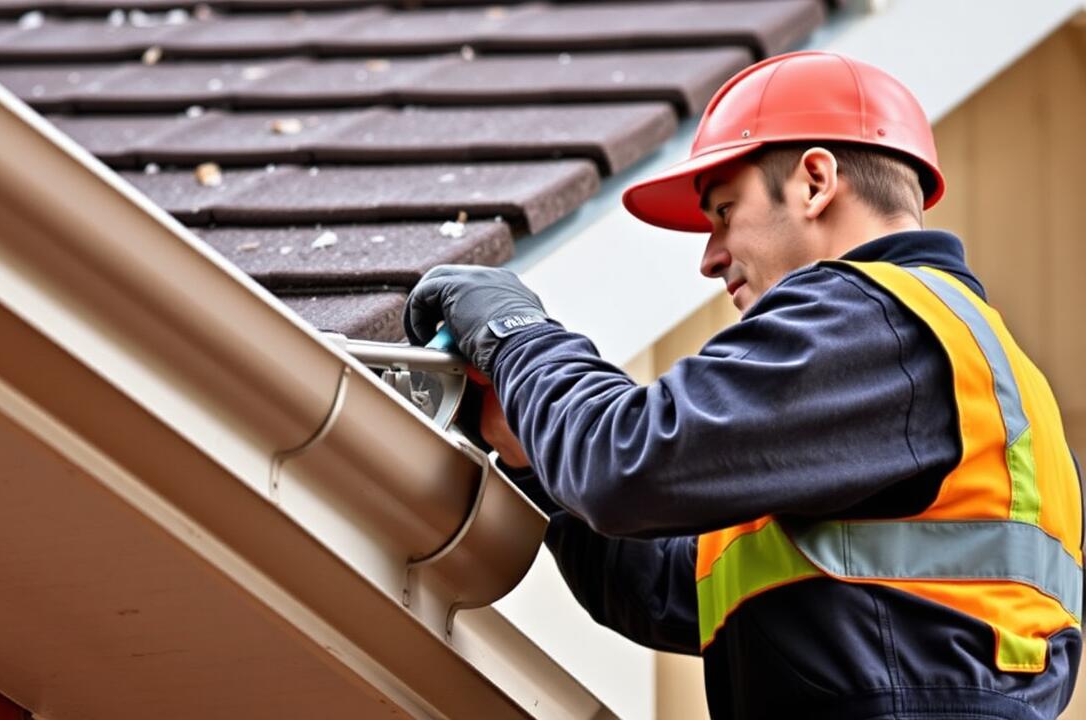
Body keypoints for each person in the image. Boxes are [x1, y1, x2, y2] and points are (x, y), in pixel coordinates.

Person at [403, 51, 1083, 719]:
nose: (709, 258)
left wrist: (517, 337)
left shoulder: (874, 321)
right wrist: (534, 449)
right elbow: (667, 588)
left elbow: (628, 462)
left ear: (815, 181)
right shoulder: (956, 366)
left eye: (725, 211)